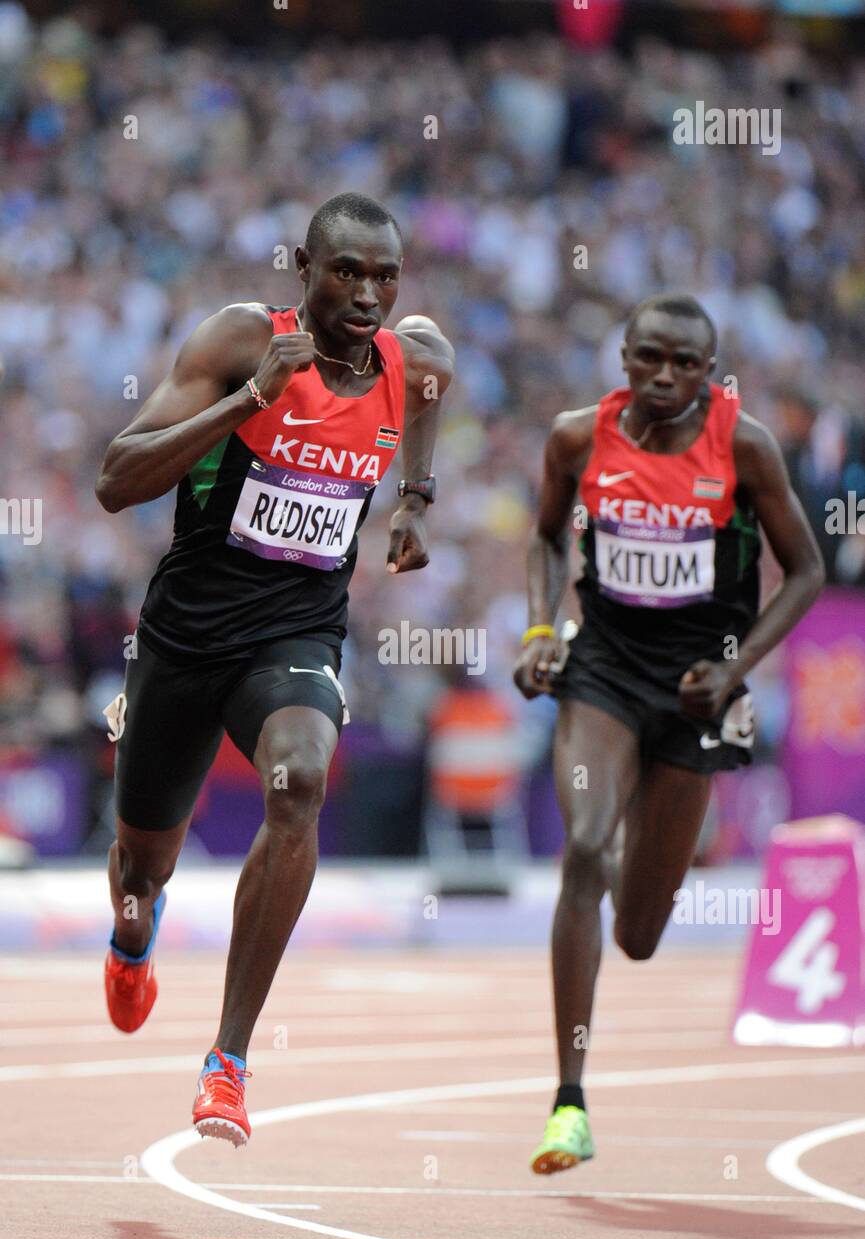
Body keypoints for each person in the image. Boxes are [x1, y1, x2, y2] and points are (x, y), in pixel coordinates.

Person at [96, 192, 454, 1147]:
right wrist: (250, 399)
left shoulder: (409, 358)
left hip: (296, 634)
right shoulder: (242, 339)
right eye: (347, 271)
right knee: (141, 865)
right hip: (183, 638)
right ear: (303, 266)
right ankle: (134, 938)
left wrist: (414, 499)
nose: (369, 293)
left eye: (384, 275)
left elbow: (429, 386)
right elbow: (115, 481)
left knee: (298, 784)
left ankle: (228, 1062)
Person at [513, 294, 824, 1174]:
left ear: (708, 370)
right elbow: (541, 540)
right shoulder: (578, 438)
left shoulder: (744, 446)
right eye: (647, 357)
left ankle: (622, 858)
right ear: (621, 357)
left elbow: (806, 570)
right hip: (604, 669)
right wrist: (540, 631)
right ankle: (567, 1101)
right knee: (580, 843)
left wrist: (736, 670)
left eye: (683, 363)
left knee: (640, 934)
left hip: (699, 688)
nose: (662, 375)